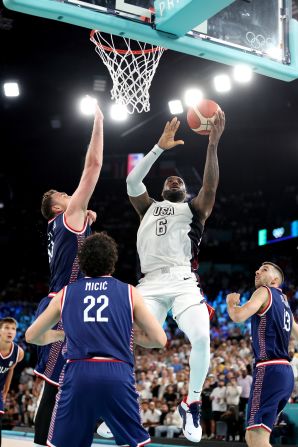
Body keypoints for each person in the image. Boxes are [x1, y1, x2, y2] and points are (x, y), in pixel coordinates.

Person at [123, 112, 225, 442]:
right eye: (170, 180)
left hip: (183, 282)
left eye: (180, 182)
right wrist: (158, 148)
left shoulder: (195, 209)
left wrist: (212, 144)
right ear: (163, 187)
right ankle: (121, 402)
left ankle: (191, 402)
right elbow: (131, 183)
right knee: (130, 340)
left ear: (185, 190)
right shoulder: (147, 207)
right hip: (149, 285)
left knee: (202, 336)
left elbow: (210, 184)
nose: (175, 181)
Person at [26, 232, 167, 447]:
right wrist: (127, 335)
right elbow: (159, 339)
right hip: (117, 373)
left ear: (82, 263)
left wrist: (62, 334)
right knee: (134, 443)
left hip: (78, 373)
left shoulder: (65, 293)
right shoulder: (129, 292)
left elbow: (31, 336)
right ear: (113, 261)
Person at [33, 105, 104, 447]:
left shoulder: (62, 226)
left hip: (68, 305)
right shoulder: (66, 218)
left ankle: (100, 418)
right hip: (64, 307)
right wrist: (99, 122)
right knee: (58, 385)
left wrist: (89, 222)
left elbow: (84, 256)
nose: (71, 194)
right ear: (60, 208)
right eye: (66, 195)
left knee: (72, 378)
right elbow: (93, 166)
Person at [226, 261, 298, 447]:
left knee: (255, 437)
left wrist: (232, 303)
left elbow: (238, 316)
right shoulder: (285, 302)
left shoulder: (264, 291)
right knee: (259, 437)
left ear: (275, 280)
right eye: (257, 269)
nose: (257, 271)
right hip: (285, 374)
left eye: (264, 270)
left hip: (269, 369)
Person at [0, 317, 24, 446]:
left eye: (13, 329)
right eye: (6, 328)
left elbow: (10, 371)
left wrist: (5, 392)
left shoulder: (18, 353)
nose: (10, 331)